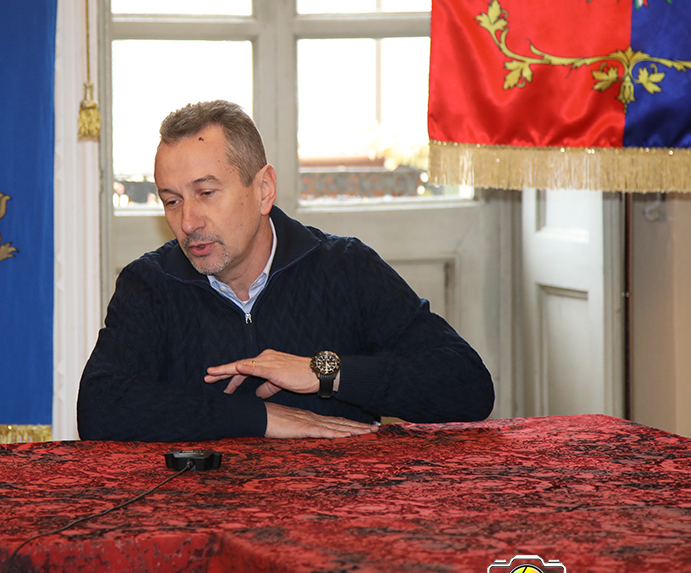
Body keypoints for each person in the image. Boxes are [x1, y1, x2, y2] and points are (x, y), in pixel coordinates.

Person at [78, 100, 494, 442]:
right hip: (205, 519)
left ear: (263, 190)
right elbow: (100, 408)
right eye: (171, 200)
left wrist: (325, 372)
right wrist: (257, 418)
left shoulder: (345, 269)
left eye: (206, 193)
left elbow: (466, 386)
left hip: (334, 514)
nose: (188, 221)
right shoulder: (150, 285)